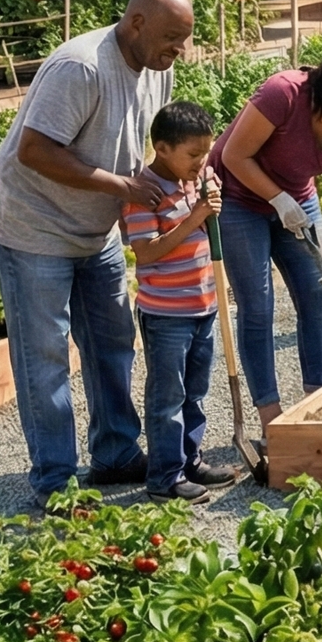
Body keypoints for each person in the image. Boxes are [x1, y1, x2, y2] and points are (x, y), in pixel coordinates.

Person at [0, 0, 192, 507]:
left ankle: (116, 454)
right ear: (136, 22)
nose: (177, 51)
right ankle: (55, 481)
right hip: (32, 229)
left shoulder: (155, 70)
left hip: (94, 231)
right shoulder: (82, 68)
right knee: (45, 355)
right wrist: (122, 188)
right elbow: (34, 151)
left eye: (184, 40)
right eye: (170, 38)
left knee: (112, 341)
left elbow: (133, 147)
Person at [211, 31, 322, 425]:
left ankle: (318, 404)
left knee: (318, 294)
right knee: (257, 306)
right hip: (239, 197)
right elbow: (233, 155)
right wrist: (276, 199)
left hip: (296, 196)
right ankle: (270, 419)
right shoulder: (284, 94)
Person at [120, 101, 239, 502]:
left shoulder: (197, 180)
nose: (202, 160)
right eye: (193, 153)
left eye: (205, 151)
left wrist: (209, 209)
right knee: (167, 396)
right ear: (163, 148)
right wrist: (195, 217)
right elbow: (146, 253)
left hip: (203, 304)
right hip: (167, 313)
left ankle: (190, 461)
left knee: (195, 391)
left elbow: (205, 233)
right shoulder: (145, 194)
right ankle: (164, 477)